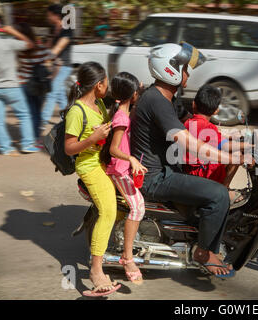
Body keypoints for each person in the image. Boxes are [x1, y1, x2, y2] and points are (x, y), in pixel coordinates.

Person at [130, 43, 246, 278]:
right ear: (170, 70)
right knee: (219, 194)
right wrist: (231, 157)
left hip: (166, 168)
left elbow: (200, 132)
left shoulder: (167, 98)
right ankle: (203, 253)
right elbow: (190, 142)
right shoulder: (157, 101)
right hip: (155, 178)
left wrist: (244, 143)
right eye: (185, 69)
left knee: (219, 190)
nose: (188, 74)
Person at [64, 61, 120, 297]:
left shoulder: (97, 103)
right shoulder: (77, 111)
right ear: (98, 85)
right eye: (106, 83)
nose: (107, 87)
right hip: (88, 165)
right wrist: (93, 138)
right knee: (109, 211)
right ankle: (96, 270)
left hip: (101, 160)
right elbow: (69, 148)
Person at [100, 72, 146, 284]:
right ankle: (128, 257)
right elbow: (114, 149)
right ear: (133, 93)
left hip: (123, 168)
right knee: (138, 208)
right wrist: (132, 159)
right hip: (119, 169)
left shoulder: (122, 111)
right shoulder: (121, 117)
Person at [183, 84, 249, 207]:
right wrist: (248, 144)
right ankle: (224, 191)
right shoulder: (208, 127)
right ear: (216, 111)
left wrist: (231, 138)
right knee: (236, 154)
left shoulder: (188, 122)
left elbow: (216, 139)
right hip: (200, 175)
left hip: (188, 172)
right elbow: (224, 146)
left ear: (193, 104)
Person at [0, 16, 40, 155]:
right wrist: (13, 32)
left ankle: (5, 147)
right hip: (11, 86)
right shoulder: (7, 43)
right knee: (24, 115)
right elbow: (30, 44)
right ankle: (27, 144)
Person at [16, 22, 50, 145]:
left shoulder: (19, 51)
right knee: (37, 113)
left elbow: (19, 68)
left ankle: (29, 138)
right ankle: (37, 138)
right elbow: (51, 58)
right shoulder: (41, 48)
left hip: (25, 84)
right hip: (39, 84)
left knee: (29, 113)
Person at [41, 4, 74, 128]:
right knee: (60, 95)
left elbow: (57, 48)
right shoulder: (54, 30)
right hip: (56, 67)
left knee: (51, 92)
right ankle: (68, 118)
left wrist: (45, 58)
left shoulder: (67, 30)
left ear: (56, 15)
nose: (47, 17)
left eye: (49, 14)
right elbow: (48, 47)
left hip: (64, 66)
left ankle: (43, 121)